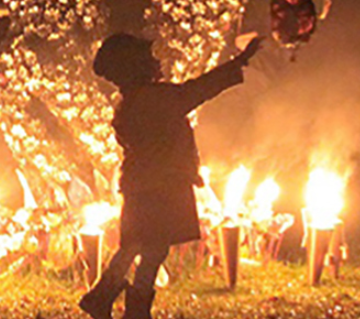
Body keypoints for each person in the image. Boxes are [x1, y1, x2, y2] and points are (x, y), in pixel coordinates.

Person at [79, 33, 262, 319]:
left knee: (137, 245)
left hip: (142, 186)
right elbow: (199, 89)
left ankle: (106, 297)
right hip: (162, 187)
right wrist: (238, 62)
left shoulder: (130, 103)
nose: (157, 61)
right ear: (137, 66)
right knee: (151, 249)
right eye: (150, 58)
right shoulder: (156, 99)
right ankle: (132, 308)